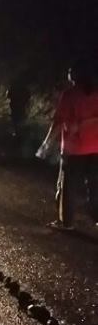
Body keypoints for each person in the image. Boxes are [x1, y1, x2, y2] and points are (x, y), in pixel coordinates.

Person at [36, 62, 98, 230]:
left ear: (76, 75)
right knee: (95, 186)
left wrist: (46, 143)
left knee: (68, 187)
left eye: (71, 71)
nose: (68, 73)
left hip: (74, 149)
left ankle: (66, 222)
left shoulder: (70, 95)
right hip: (96, 148)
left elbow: (58, 122)